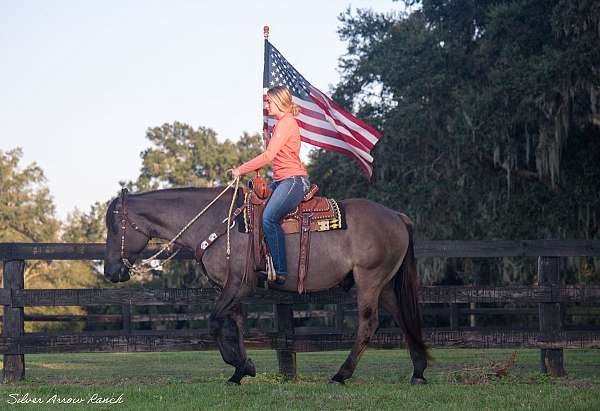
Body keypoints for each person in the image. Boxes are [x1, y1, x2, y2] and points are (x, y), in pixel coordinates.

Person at [233, 86, 310, 285]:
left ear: (278, 101)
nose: (267, 105)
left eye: (269, 102)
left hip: (293, 180)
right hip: (281, 181)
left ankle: (281, 270)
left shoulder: (286, 123)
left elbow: (268, 156)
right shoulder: (280, 125)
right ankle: (262, 261)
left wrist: (241, 169)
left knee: (268, 218)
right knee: (254, 211)